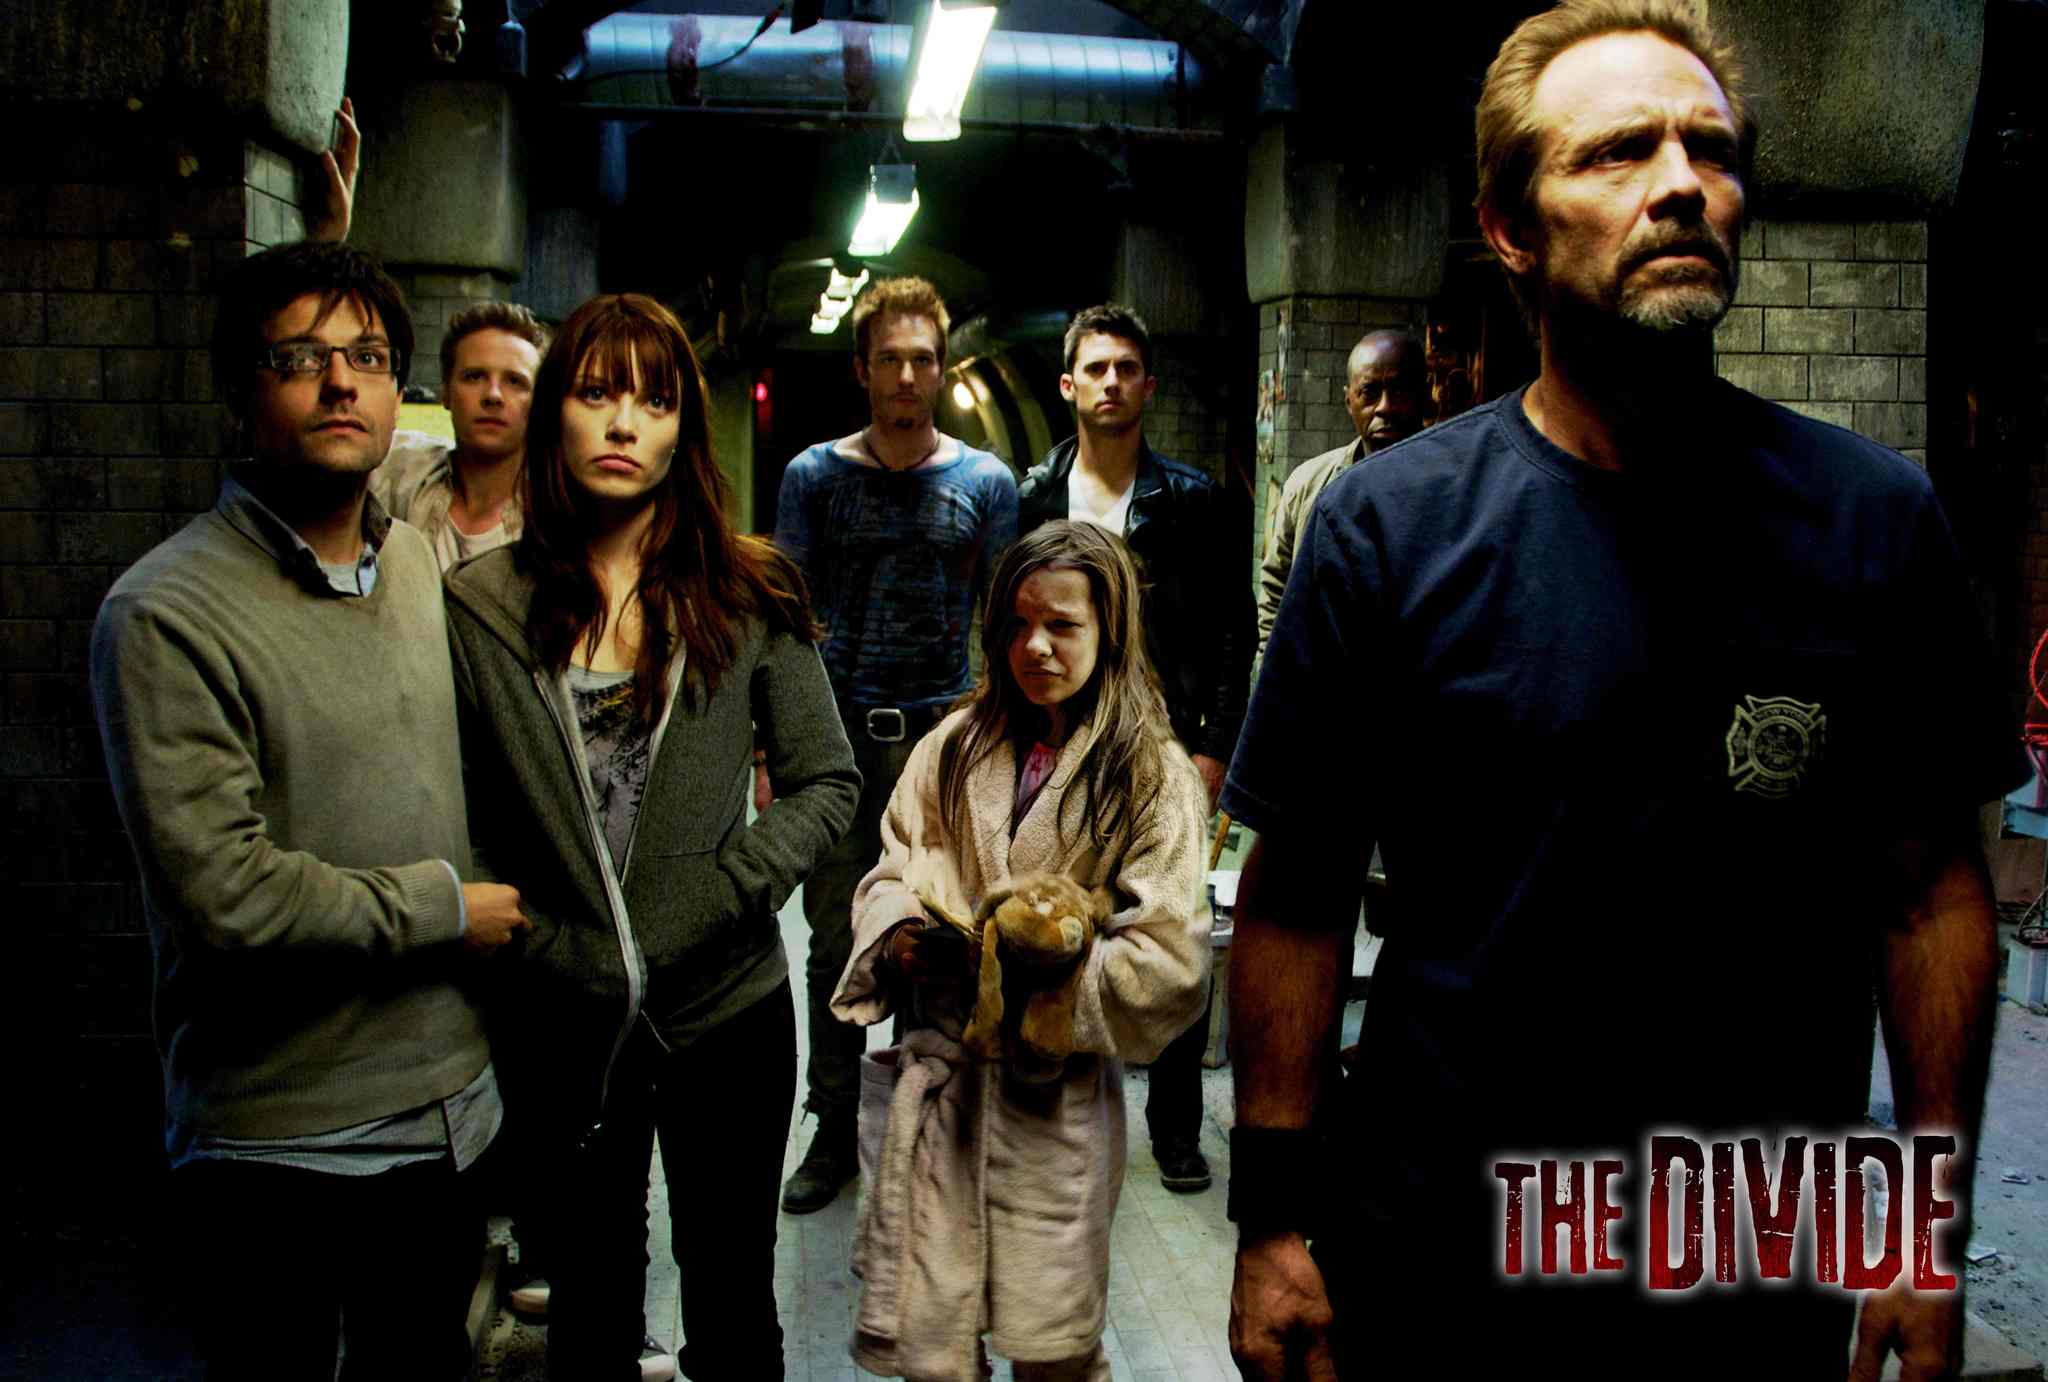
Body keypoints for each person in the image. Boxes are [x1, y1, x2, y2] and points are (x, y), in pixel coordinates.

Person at [1223, 3, 2020, 1379]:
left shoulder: (1871, 520)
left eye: (1709, 149)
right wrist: (1271, 1219)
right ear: (1510, 227)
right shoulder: (1388, 530)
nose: (1680, 183)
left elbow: (1928, 896)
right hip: (1443, 1249)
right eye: (1617, 152)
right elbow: (1295, 895)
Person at [88, 240, 530, 1381]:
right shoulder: (164, 611)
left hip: (447, 1115)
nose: (341, 383)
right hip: (280, 1141)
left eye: (368, 357)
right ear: (240, 393)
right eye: (299, 358)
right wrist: (446, 909)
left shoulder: (416, 568)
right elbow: (225, 897)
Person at [442, 293, 859, 1380]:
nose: (624, 423)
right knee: (589, 1310)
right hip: (564, 1011)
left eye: (654, 400)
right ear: (555, 415)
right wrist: (534, 939)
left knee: (732, 1306)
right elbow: (457, 807)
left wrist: (722, 889)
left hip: (728, 1008)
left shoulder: (746, 589)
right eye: (596, 393)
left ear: (683, 429)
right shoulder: (480, 607)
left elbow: (825, 782)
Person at [830, 519, 1211, 1381]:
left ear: (1110, 630)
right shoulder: (955, 744)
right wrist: (901, 939)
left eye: (1063, 625)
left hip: (1053, 1102)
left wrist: (1036, 983)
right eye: (1017, 623)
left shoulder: (1151, 775)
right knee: (932, 1345)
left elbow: (1170, 964)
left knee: (1055, 1351)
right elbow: (895, 862)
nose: (1035, 645)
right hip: (943, 1085)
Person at [773, 275, 1020, 1214]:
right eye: (890, 359)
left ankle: (924, 1125)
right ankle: (834, 1127)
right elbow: (786, 621)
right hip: (836, 745)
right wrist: (771, 752)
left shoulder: (985, 483)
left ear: (944, 369)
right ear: (862, 369)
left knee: (939, 938)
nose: (907, 376)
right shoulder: (814, 478)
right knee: (836, 939)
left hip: (943, 748)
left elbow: (1005, 619)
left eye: (922, 359)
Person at [1016, 304, 1252, 1193]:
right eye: (1095, 368)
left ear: (1148, 386)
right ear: (1068, 385)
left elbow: (1233, 631)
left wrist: (1213, 749)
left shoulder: (1192, 500)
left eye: (1126, 368)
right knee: (1053, 920)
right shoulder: (1033, 498)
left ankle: (1177, 1128)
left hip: (1165, 741)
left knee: (1171, 931)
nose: (1111, 382)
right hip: (1059, 736)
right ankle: (1056, 1102)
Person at [1254, 329, 1426, 662]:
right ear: (1349, 401)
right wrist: (1269, 669)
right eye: (1369, 393)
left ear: (1424, 394)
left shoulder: (1455, 488)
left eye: (1400, 390)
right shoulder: (1308, 484)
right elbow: (1276, 590)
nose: (1385, 407)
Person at [373, 300, 549, 570]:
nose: (493, 395)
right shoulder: (401, 473)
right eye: (474, 377)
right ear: (445, 392)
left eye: (515, 381)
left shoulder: (554, 517)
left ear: (539, 402)